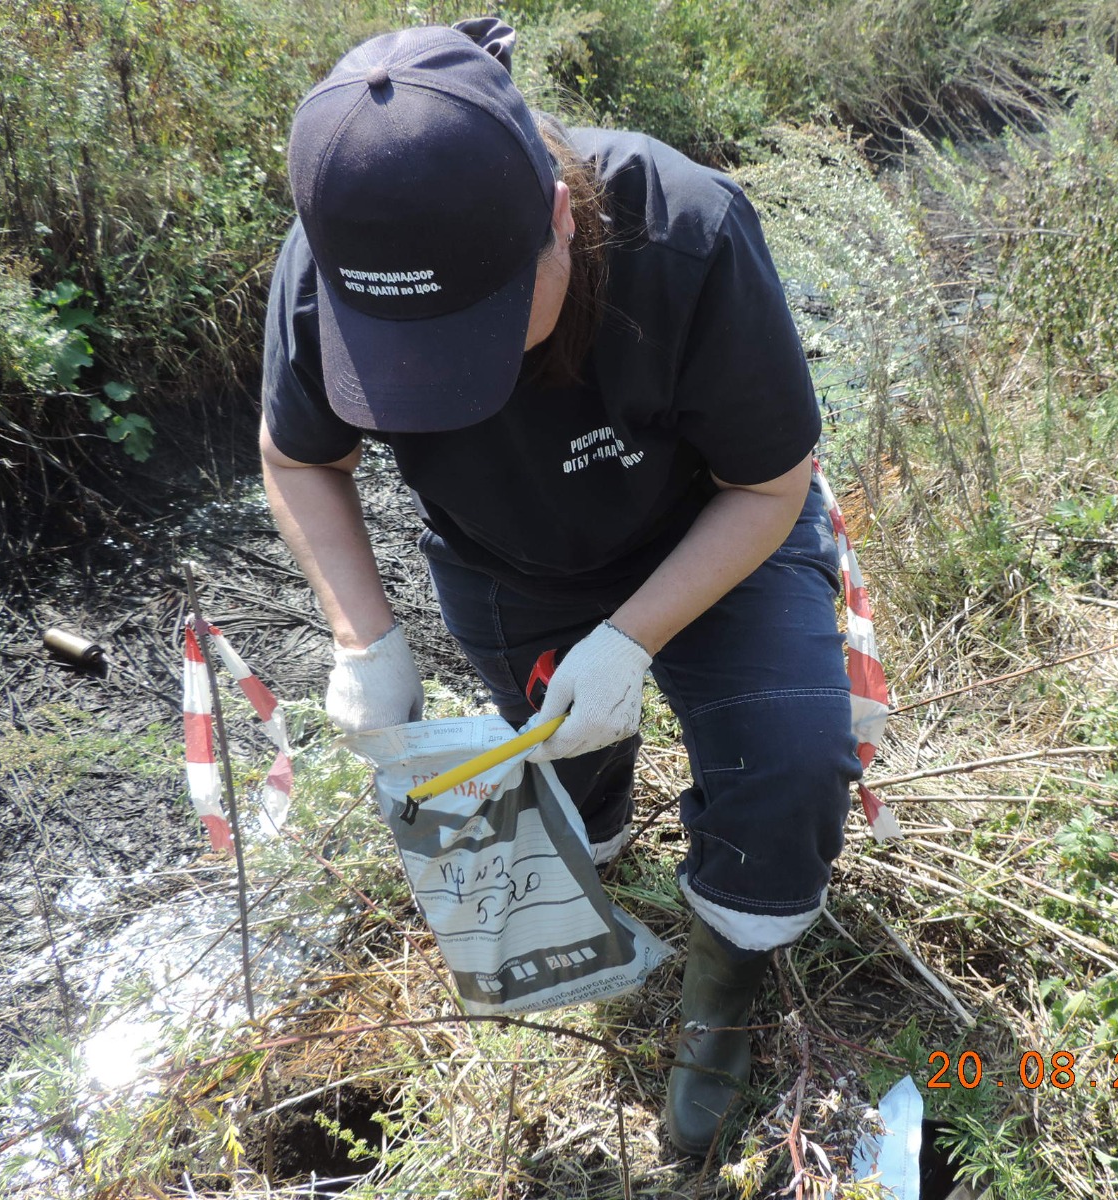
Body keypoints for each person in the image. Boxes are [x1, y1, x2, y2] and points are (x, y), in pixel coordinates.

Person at [258, 18, 862, 1156]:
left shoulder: (685, 233)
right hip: (505, 563)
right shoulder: (325, 267)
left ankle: (724, 983)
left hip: (717, 528)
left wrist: (630, 638)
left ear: (557, 215)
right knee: (566, 780)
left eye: (474, 329)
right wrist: (363, 639)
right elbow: (298, 456)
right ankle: (602, 859)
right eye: (405, 346)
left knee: (788, 768)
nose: (451, 377)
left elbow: (771, 485)